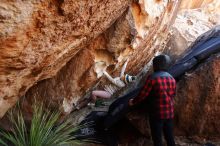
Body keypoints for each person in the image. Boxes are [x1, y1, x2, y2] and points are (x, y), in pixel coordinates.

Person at [129, 54, 176, 146]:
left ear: (156, 65)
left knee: (157, 138)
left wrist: (133, 102)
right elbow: (173, 94)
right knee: (169, 136)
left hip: (157, 114)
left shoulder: (153, 78)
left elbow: (143, 95)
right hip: (169, 113)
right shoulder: (171, 78)